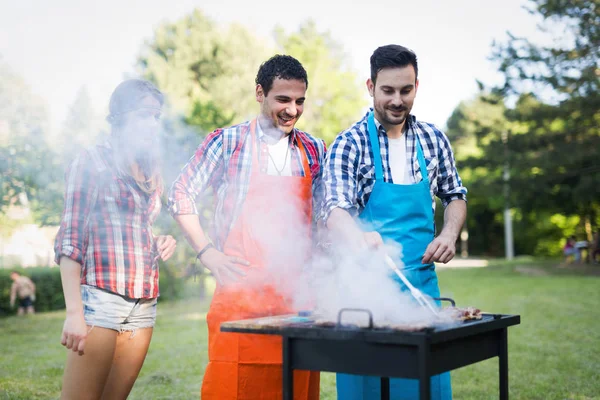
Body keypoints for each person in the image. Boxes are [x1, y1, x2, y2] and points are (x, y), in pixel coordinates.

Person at [168, 54, 325, 399]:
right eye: (283, 99)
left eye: (299, 101)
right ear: (260, 93)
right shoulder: (228, 142)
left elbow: (323, 220)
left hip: (296, 300)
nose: (292, 110)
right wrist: (207, 253)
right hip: (240, 299)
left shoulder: (314, 149)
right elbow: (180, 192)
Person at [320, 45, 467, 400]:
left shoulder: (433, 139)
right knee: (370, 389)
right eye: (388, 90)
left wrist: (449, 232)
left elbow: (455, 195)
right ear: (370, 87)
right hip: (364, 296)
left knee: (424, 389)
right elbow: (334, 210)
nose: (397, 100)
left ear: (417, 86)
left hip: (423, 293)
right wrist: (357, 236)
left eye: (406, 90)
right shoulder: (350, 144)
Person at [54, 79, 177, 400]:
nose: (152, 123)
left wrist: (161, 238)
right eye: (144, 115)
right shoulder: (92, 161)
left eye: (156, 116)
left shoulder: (151, 171)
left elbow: (134, 227)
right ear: (120, 116)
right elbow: (71, 240)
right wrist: (74, 313)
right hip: (101, 300)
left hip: (144, 303)